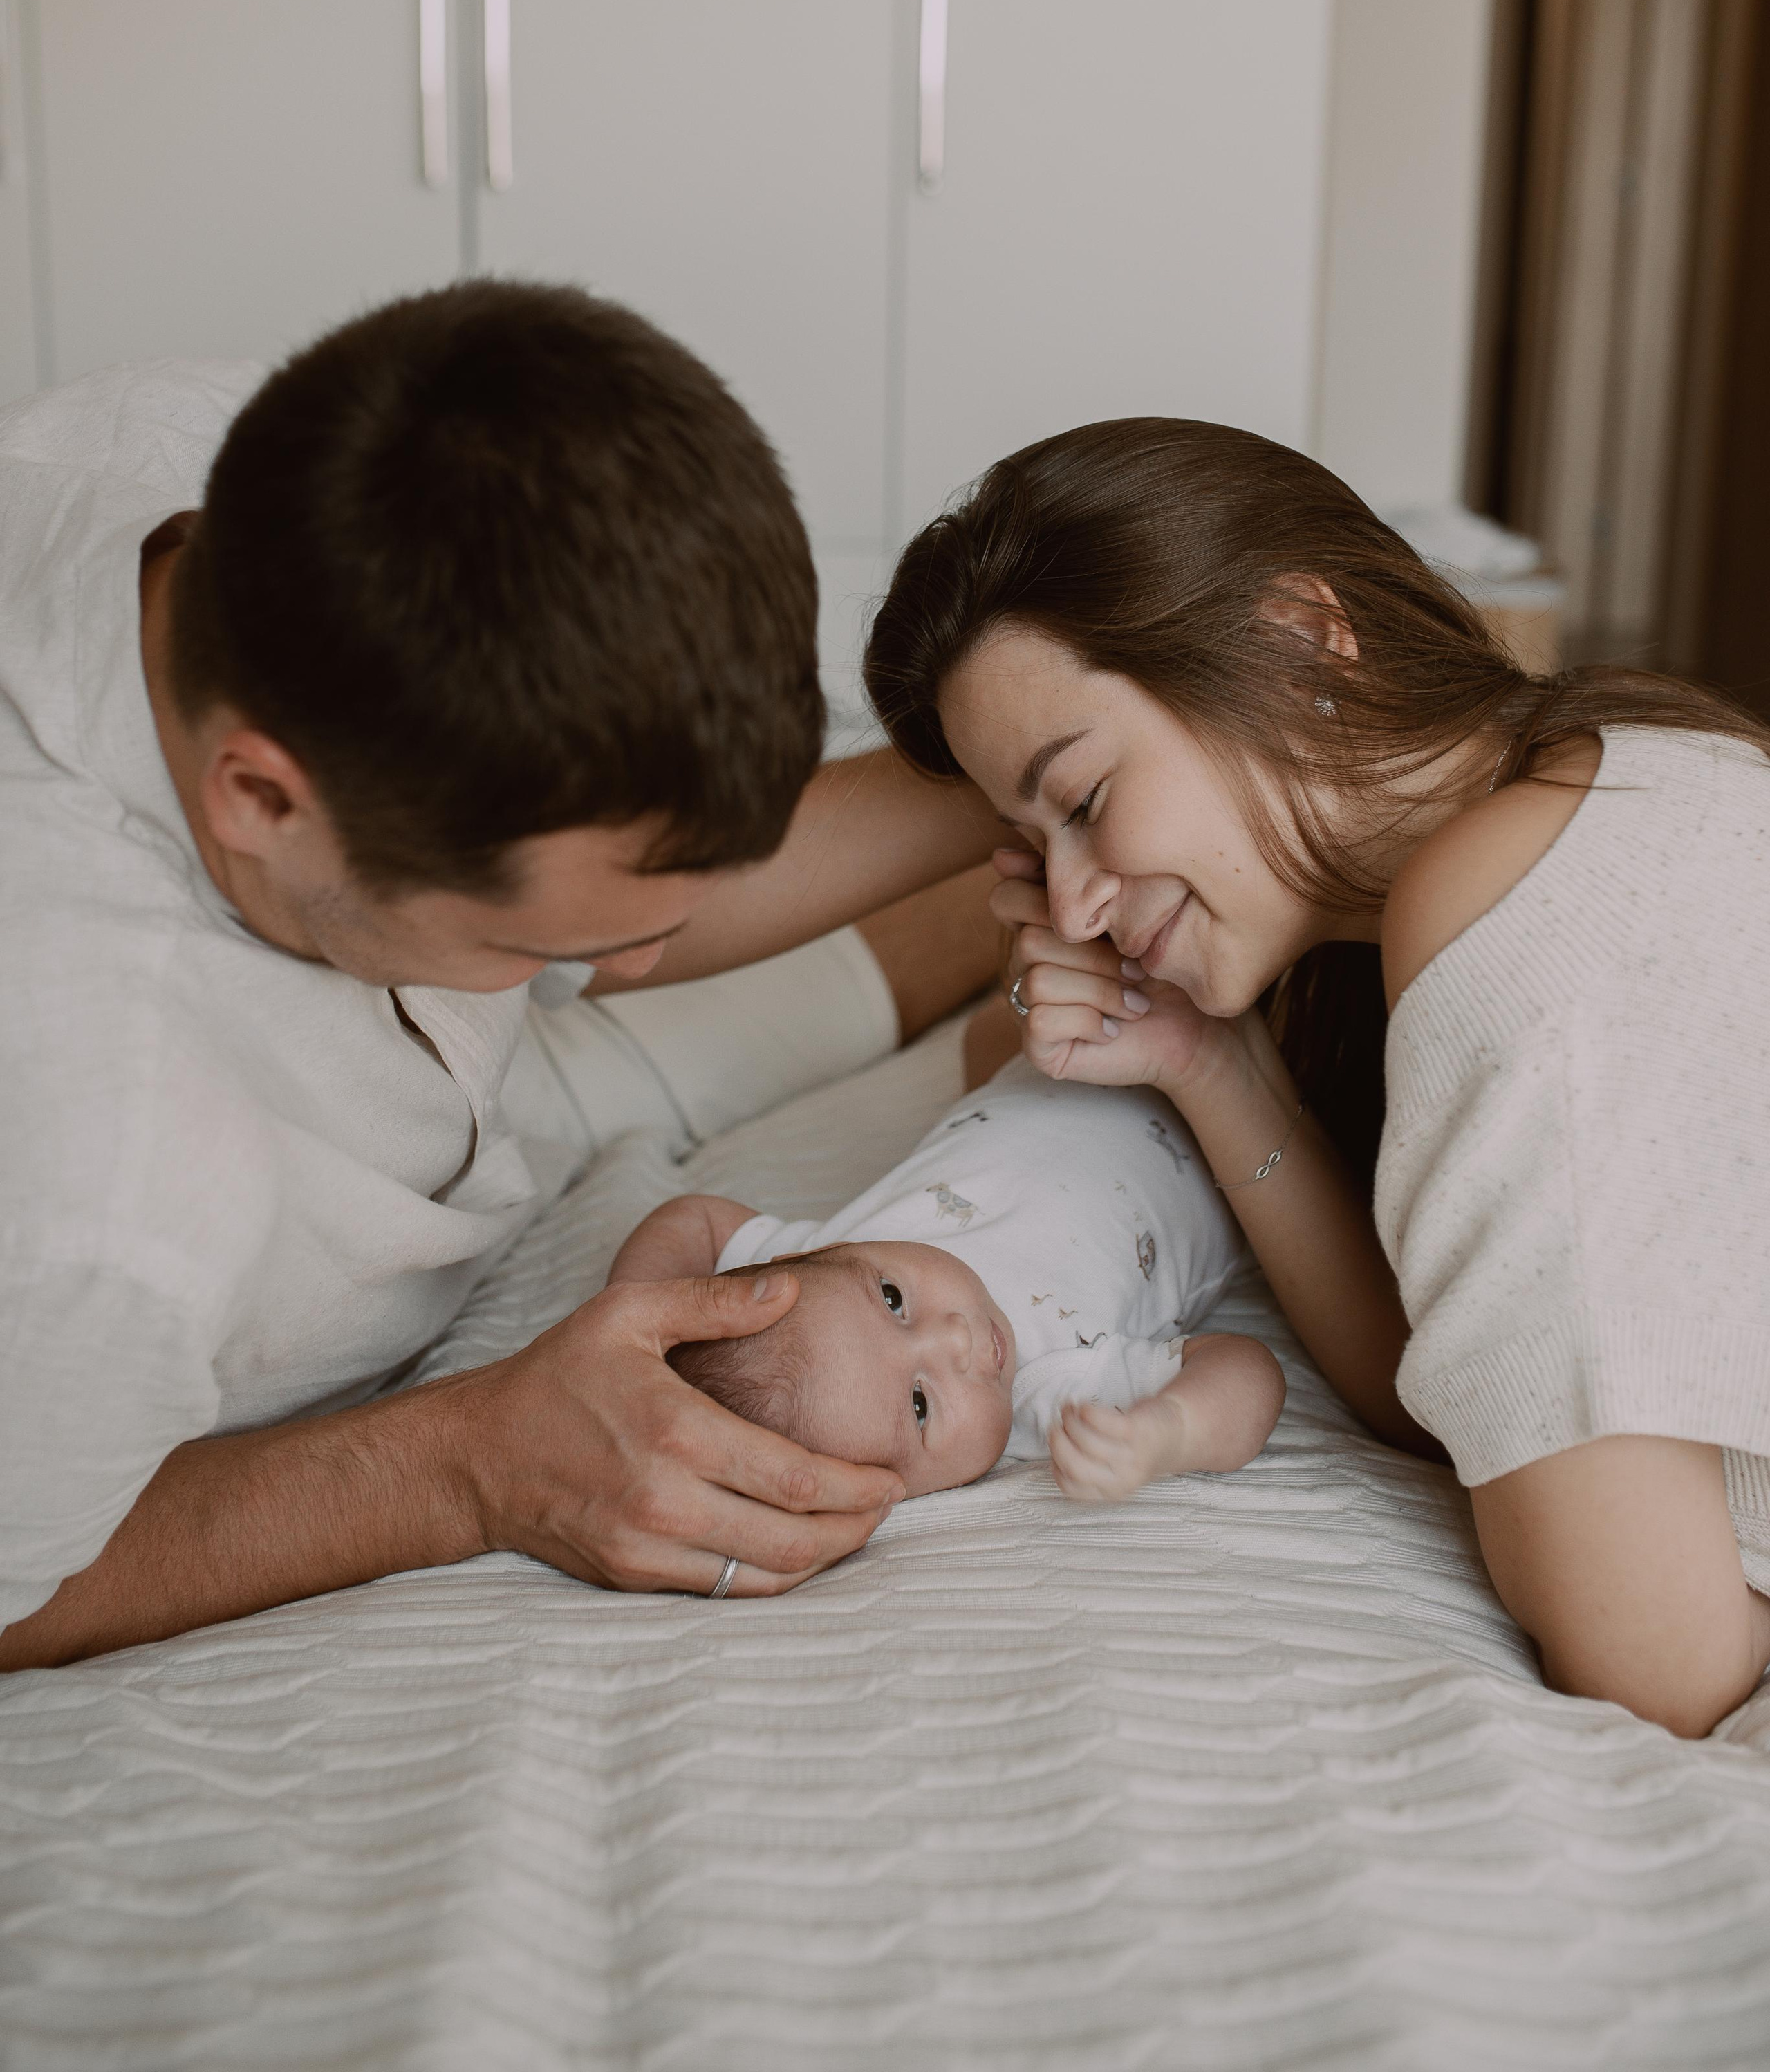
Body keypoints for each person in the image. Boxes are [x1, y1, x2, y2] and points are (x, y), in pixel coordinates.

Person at [0, 281, 1001, 1671]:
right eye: (550, 941)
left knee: (1024, 858)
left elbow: (632, 898)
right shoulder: (99, 1185)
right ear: (263, 800)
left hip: (445, 1086)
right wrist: (470, 1460)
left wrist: (1032, 764)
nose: (643, 963)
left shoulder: (298, 456)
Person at [863, 415, 1770, 1739]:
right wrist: (1207, 1062)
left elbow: (1659, 1661)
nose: (1072, 895)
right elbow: (1455, 1377)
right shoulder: (1607, 774)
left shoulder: (1502, 909)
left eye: (1088, 795)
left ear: (1302, 633)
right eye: (1027, 840)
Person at [608, 1058, 1280, 1499]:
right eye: (921, 1405)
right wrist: (1168, 1433)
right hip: (1240, 1134)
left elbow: (692, 1221)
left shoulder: (820, 1260)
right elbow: (1246, 1368)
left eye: (894, 1300)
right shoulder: (1052, 1387)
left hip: (1062, 1053)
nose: (954, 1340)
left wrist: (626, 1337)